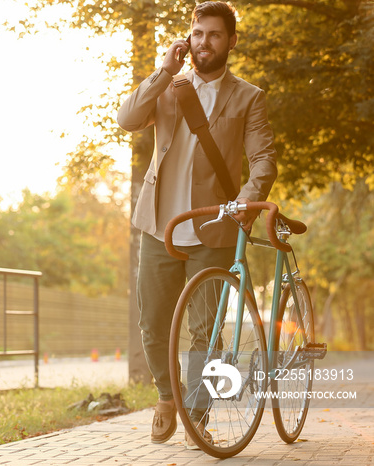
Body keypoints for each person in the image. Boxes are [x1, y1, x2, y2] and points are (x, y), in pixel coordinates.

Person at [116, 1, 278, 449]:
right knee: (153, 322)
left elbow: (262, 158)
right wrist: (163, 71)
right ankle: (168, 398)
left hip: (215, 228)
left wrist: (246, 201)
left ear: (231, 41)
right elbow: (127, 119)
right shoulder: (169, 88)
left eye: (214, 34)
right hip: (158, 225)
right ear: (189, 38)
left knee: (206, 331)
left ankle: (196, 418)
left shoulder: (248, 96)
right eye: (198, 33)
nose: (205, 42)